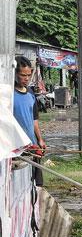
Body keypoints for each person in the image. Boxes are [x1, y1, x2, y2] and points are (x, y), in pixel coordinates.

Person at [13, 56, 45, 186]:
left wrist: (40, 140)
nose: (26, 78)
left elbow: (34, 120)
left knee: (36, 184)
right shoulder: (8, 94)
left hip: (32, 145)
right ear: (14, 74)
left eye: (28, 75)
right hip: (16, 146)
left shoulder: (31, 93)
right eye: (22, 75)